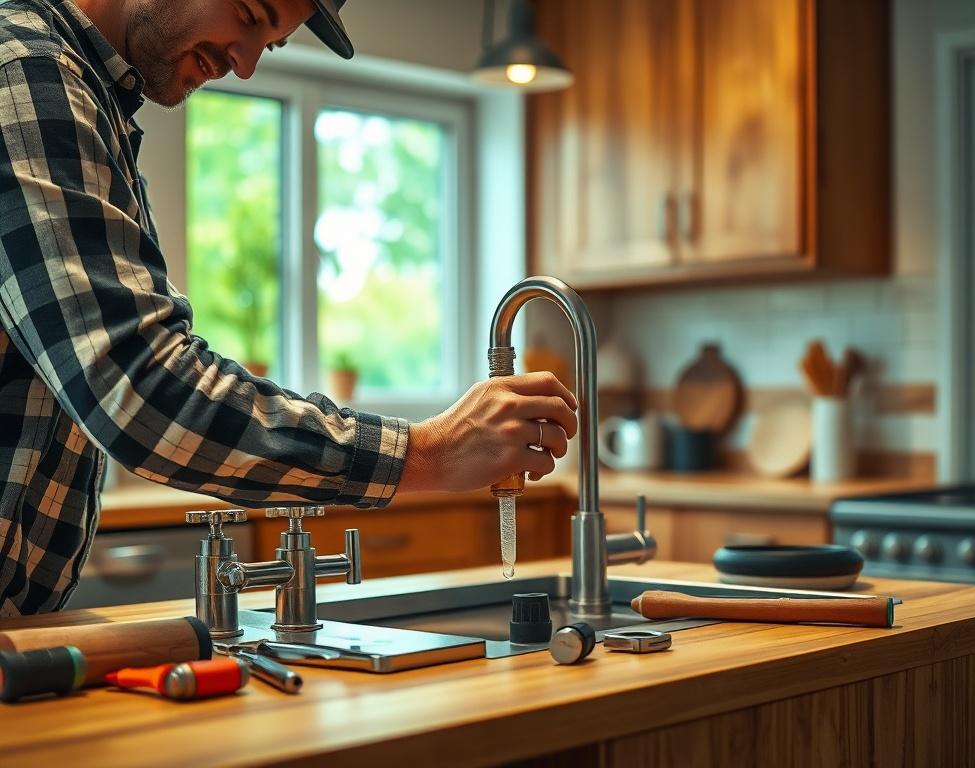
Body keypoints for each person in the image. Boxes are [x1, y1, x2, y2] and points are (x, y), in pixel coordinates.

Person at [0, 0, 578, 617]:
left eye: (270, 45)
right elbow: (141, 391)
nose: (244, 65)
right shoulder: (28, 72)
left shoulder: (87, 95)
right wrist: (430, 450)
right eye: (251, 14)